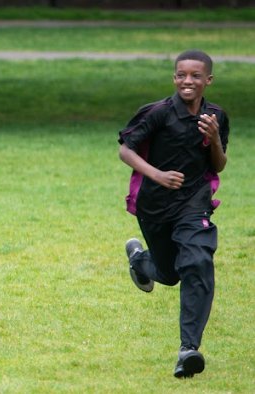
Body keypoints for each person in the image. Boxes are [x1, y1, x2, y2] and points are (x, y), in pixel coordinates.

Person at [118, 49, 228, 379]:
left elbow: (219, 164)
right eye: (181, 75)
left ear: (208, 80)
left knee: (196, 262)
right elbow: (126, 149)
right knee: (168, 273)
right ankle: (140, 260)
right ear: (174, 78)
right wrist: (158, 175)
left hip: (195, 202)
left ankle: (188, 349)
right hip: (154, 205)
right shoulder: (157, 113)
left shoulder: (216, 117)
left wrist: (213, 140)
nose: (187, 81)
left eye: (196, 76)